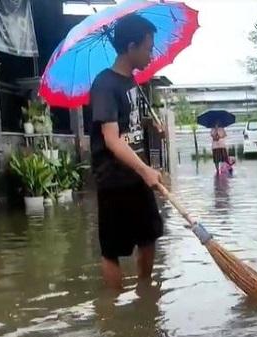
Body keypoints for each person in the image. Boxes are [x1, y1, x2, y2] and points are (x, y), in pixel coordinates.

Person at [89, 14, 163, 290]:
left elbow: (127, 124)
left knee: (149, 237)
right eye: (148, 47)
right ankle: (114, 310)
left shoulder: (133, 83)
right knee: (112, 249)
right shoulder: (104, 85)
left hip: (137, 176)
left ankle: (145, 294)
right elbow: (111, 139)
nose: (151, 53)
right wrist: (146, 170)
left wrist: (150, 124)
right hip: (114, 179)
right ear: (131, 47)